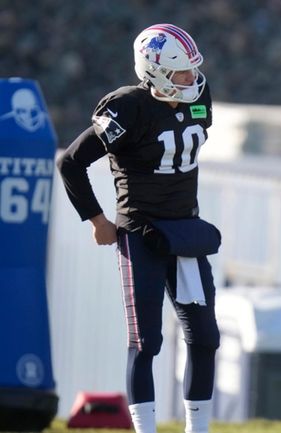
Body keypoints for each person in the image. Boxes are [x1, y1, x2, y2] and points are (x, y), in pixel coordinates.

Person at [56, 24, 220, 433]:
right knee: (146, 341)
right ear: (155, 71)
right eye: (182, 72)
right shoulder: (128, 107)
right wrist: (97, 220)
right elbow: (71, 162)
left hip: (185, 231)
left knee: (205, 338)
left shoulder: (199, 98)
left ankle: (196, 430)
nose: (191, 79)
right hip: (141, 233)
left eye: (192, 70)